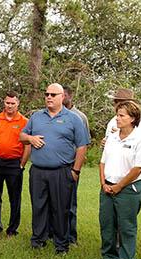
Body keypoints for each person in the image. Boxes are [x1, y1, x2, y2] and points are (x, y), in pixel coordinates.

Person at [19, 83, 90, 254]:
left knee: (61, 209)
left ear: (62, 97)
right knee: (39, 205)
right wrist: (30, 138)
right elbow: (21, 136)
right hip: (38, 171)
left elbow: (82, 146)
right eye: (46, 94)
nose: (49, 97)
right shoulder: (36, 116)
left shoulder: (74, 119)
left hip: (61, 171)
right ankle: (38, 240)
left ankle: (61, 244)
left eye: (53, 94)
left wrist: (76, 171)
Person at [99, 100, 141, 259]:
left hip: (128, 189)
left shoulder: (140, 139)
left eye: (121, 116)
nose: (117, 119)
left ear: (132, 118)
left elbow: (138, 168)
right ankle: (108, 256)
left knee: (126, 226)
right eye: (117, 115)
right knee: (107, 223)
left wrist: (119, 186)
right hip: (107, 186)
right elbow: (102, 162)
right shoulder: (112, 138)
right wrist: (103, 183)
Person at [0, 91, 29, 237]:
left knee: (15, 198)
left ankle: (12, 229)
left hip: (14, 164)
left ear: (18, 104)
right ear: (4, 103)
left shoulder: (24, 121)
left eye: (13, 103)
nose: (10, 105)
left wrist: (22, 164)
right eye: (7, 102)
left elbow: (27, 145)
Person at [62, 85, 91, 245]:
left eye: (64, 95)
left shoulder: (80, 117)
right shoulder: (51, 115)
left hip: (71, 165)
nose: (62, 98)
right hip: (55, 165)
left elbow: (84, 143)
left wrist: (76, 167)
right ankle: (53, 233)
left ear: (70, 97)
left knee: (70, 202)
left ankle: (71, 237)